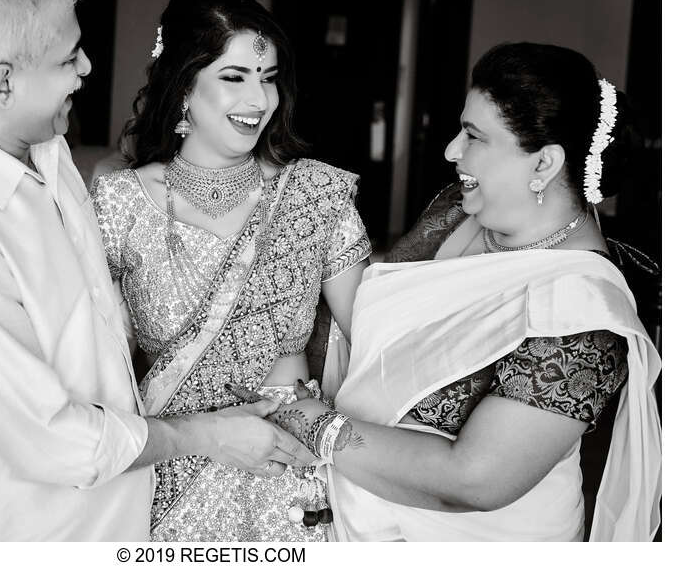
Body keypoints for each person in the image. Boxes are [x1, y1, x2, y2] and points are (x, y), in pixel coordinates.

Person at [0, 0, 312, 542]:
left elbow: (82, 303)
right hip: (24, 529)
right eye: (67, 57)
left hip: (116, 510)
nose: (86, 67)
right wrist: (209, 434)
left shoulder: (44, 150)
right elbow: (55, 441)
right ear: (4, 82)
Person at [257, 42, 661, 541]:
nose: (452, 151)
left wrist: (317, 426)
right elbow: (370, 324)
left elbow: (475, 480)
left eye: (473, 136)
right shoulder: (460, 211)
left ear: (544, 164)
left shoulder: (582, 312)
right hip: (357, 516)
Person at [88, 0, 371, 541]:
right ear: (183, 87)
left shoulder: (314, 198)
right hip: (165, 470)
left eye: (267, 79)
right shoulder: (118, 203)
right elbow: (75, 338)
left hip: (284, 475)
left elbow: (378, 338)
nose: (259, 101)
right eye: (234, 77)